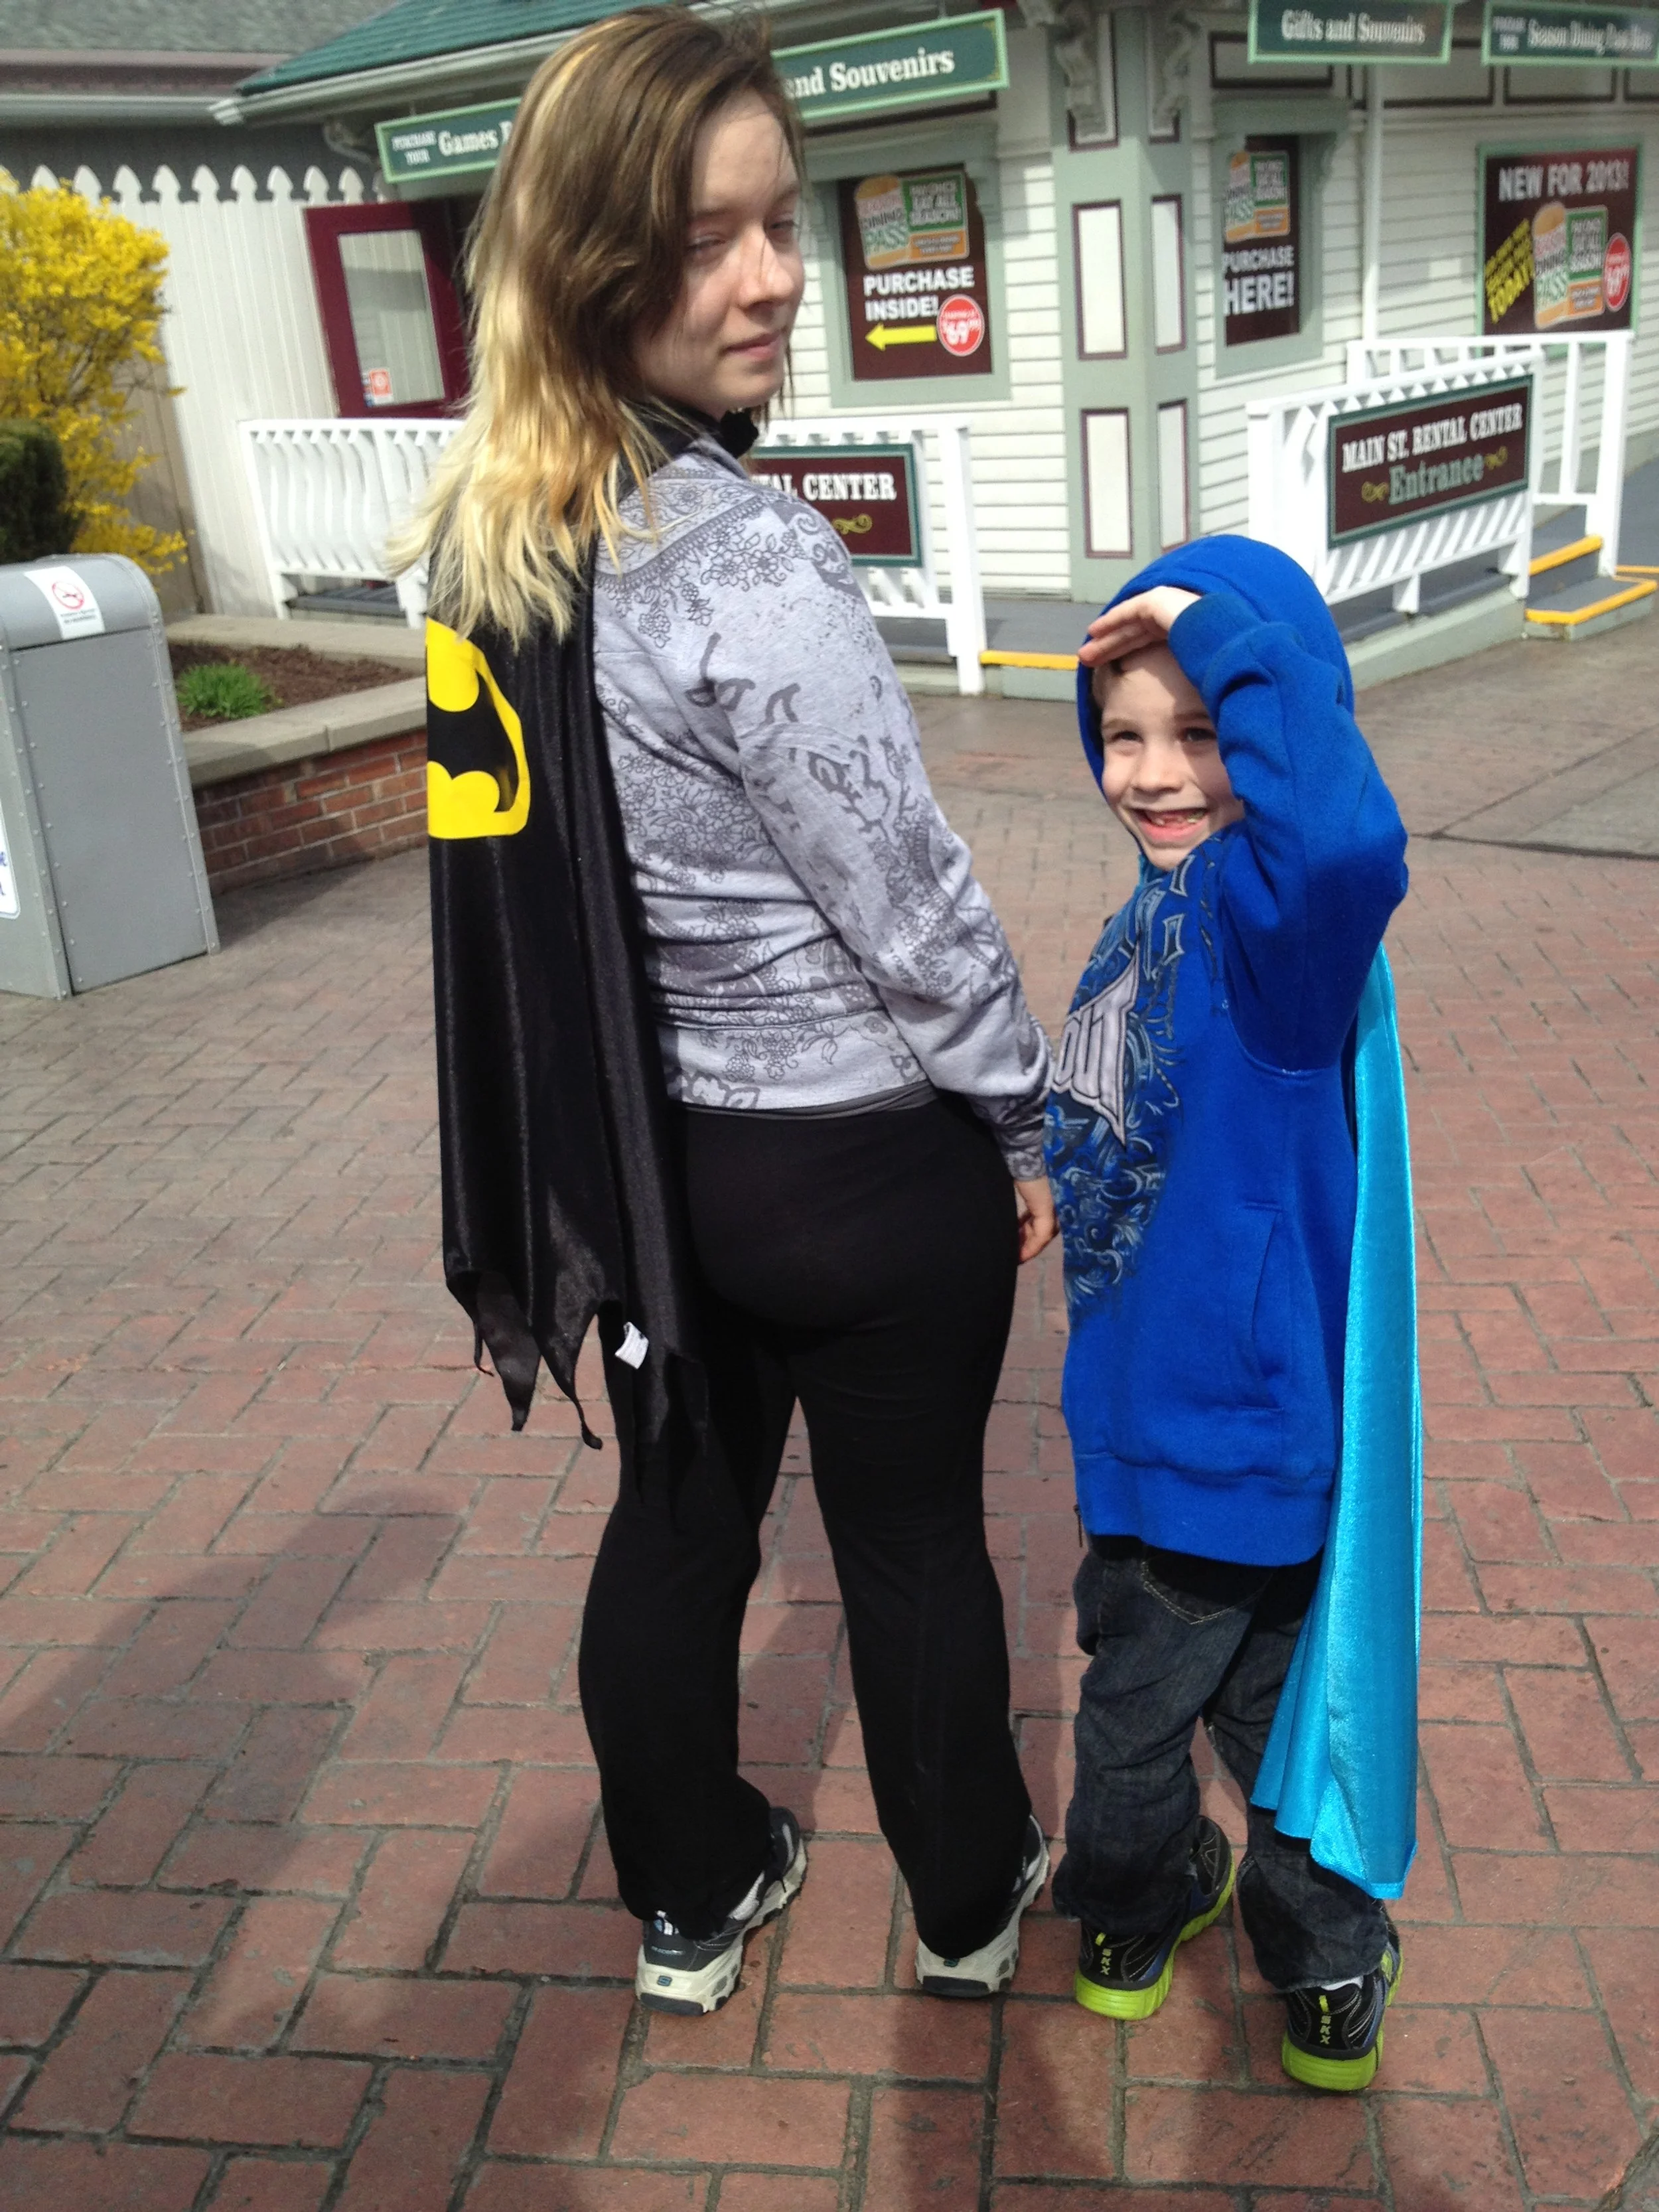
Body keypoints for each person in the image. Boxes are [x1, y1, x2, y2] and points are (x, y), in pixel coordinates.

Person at [399, 5, 1056, 2020]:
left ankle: (688, 1899)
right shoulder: (750, 558)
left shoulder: (490, 540)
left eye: (782, 221)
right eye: (707, 239)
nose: (771, 277)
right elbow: (908, 906)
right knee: (912, 1546)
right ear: (595, 259)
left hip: (651, 1163)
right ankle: (968, 1905)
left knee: (678, 1528)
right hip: (859, 1167)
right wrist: (1024, 1111)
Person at [1043, 536, 1419, 2092]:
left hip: (1231, 1428)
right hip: (1151, 1418)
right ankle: (1309, 1965)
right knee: (1235, 1709)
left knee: (1181, 1712)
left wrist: (1227, 635)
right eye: (1123, 733)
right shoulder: (1157, 912)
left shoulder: (1278, 941)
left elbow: (1342, 843)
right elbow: (1123, 1108)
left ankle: (1140, 1924)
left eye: (1200, 732)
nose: (1154, 772)